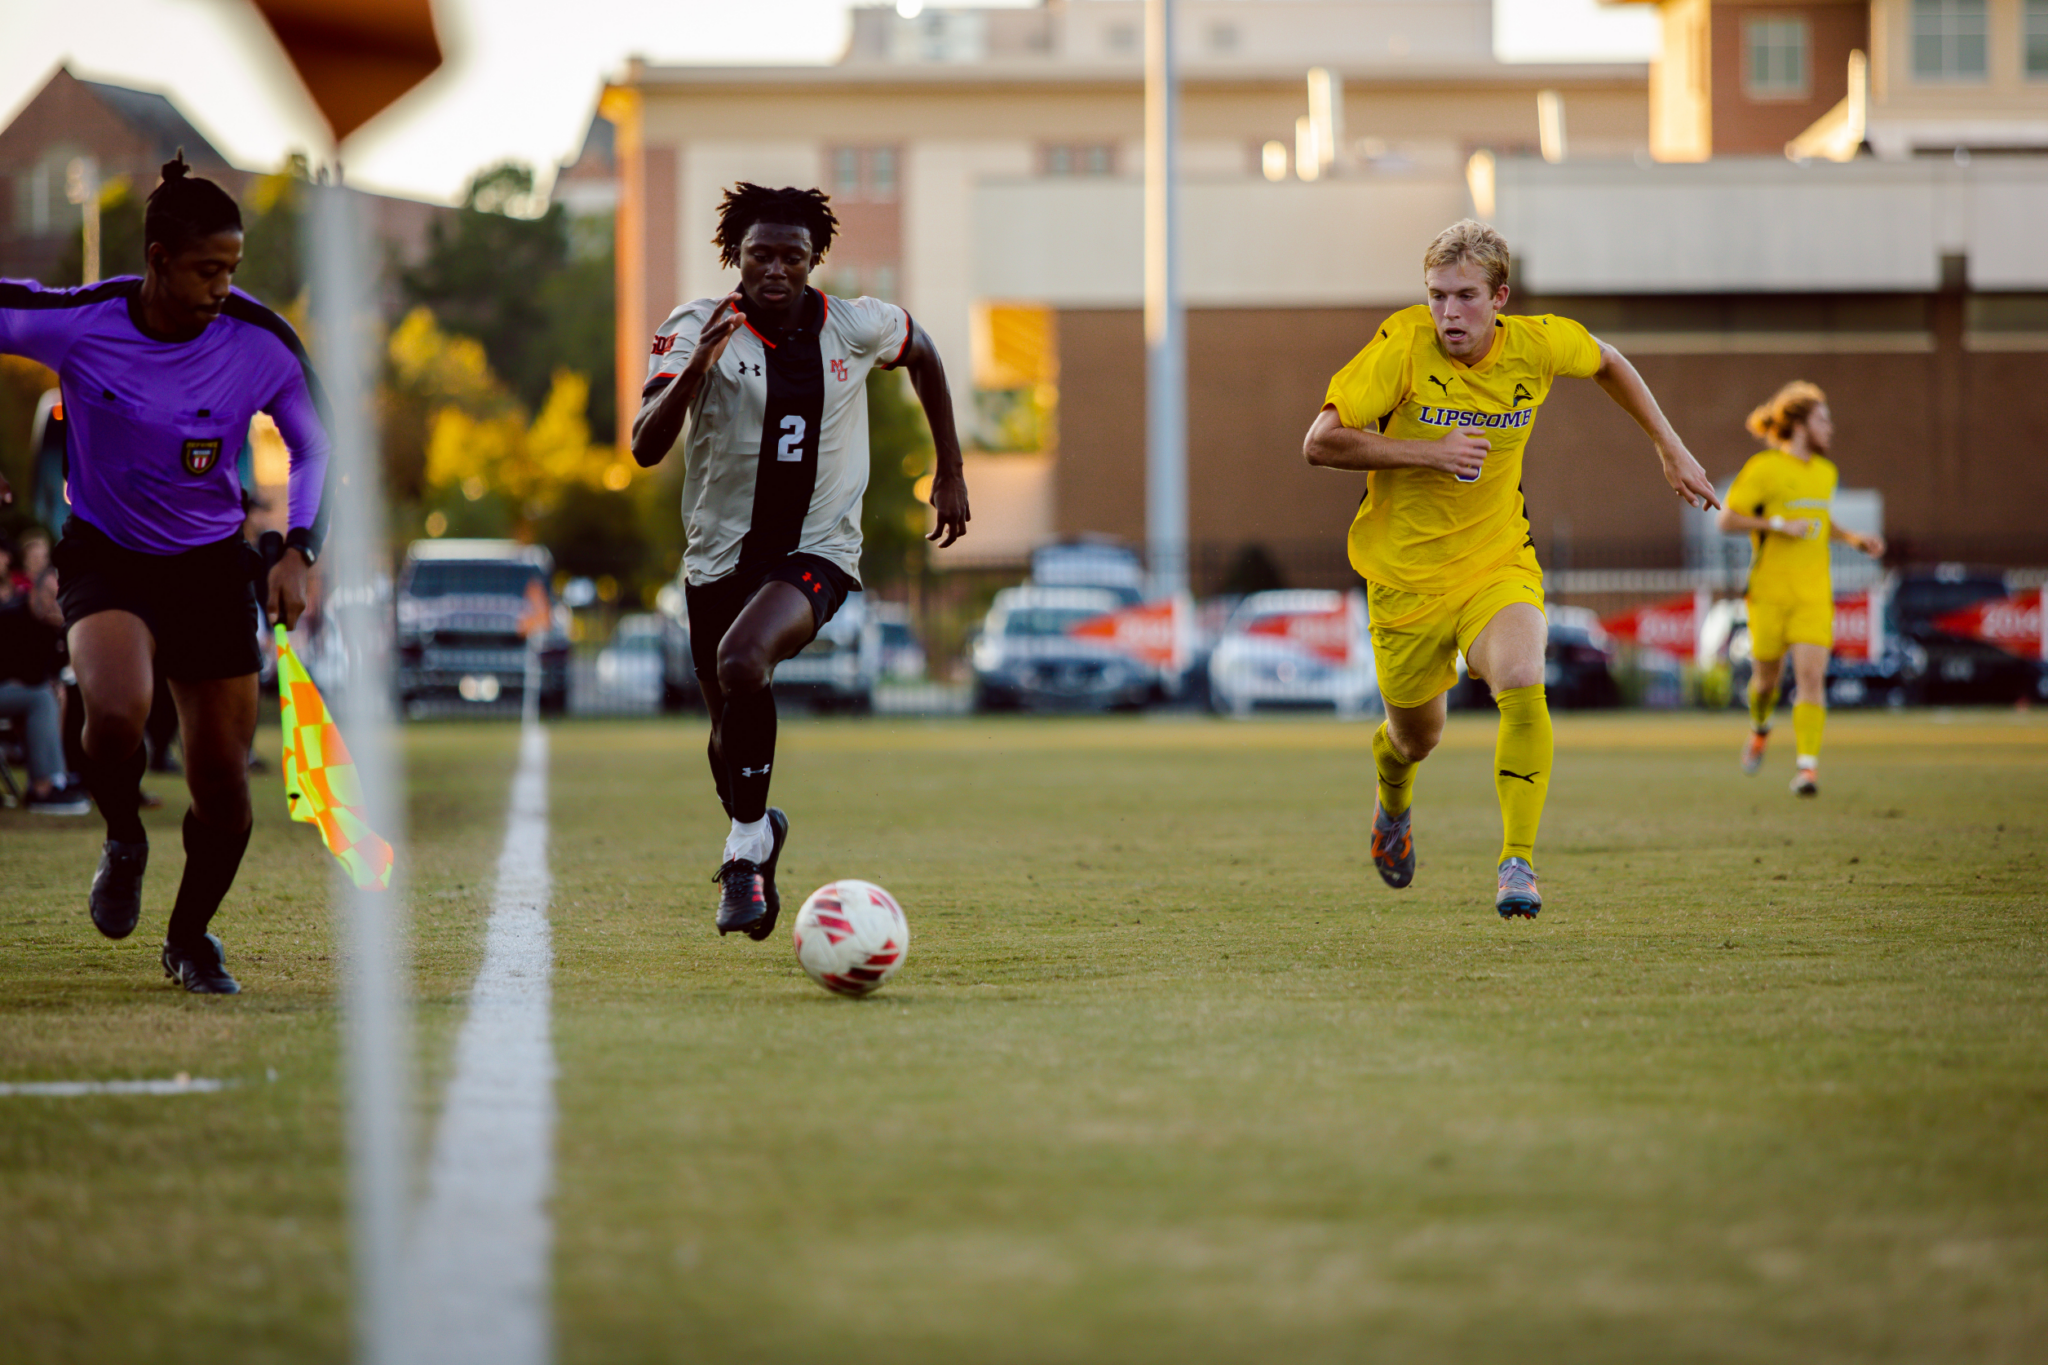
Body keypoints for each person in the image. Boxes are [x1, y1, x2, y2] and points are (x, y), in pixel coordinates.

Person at [1304, 219, 1720, 918]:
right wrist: (1430, 452)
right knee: (1416, 738)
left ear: (1501, 296)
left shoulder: (1536, 344)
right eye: (1437, 295)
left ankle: (1517, 863)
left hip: (1497, 561)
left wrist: (1670, 448)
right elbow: (1321, 442)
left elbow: (1609, 359)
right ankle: (1392, 802)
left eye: (1465, 296)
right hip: (1405, 581)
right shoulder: (1401, 345)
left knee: (1524, 677)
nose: (1448, 313)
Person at [0, 153, 329, 994]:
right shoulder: (84, 321)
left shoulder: (260, 342)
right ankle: (125, 837)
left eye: (234, 268)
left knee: (224, 790)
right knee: (113, 714)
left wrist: (297, 546)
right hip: (108, 553)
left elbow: (314, 441)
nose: (224, 285)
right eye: (207, 269)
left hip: (211, 566)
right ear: (156, 260)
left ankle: (188, 937)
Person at [631, 182, 969, 940]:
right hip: (717, 558)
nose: (776, 269)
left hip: (818, 549)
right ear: (735, 257)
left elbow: (927, 353)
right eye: (761, 255)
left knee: (743, 660)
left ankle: (744, 858)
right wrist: (697, 370)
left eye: (793, 255)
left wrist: (949, 468)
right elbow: (645, 446)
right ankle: (757, 832)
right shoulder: (695, 326)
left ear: (815, 259)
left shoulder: (853, 325)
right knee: (725, 743)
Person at [1716, 382, 1882, 796]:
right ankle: (1759, 729)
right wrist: (1776, 524)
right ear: (1801, 424)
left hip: (1813, 593)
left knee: (1811, 677)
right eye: (1823, 419)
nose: (1831, 427)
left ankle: (1807, 769)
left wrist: (1855, 538)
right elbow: (1727, 520)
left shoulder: (1826, 474)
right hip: (1770, 593)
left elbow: (1820, 524)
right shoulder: (1764, 468)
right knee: (1766, 683)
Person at [0, 566, 90, 813]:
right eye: (50, 595)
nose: (55, 604)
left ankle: (61, 777)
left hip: (18, 693)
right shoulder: (10, 618)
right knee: (41, 698)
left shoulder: (51, 627)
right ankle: (44, 787)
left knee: (56, 694)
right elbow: (28, 674)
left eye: (60, 598)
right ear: (33, 593)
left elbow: (50, 672)